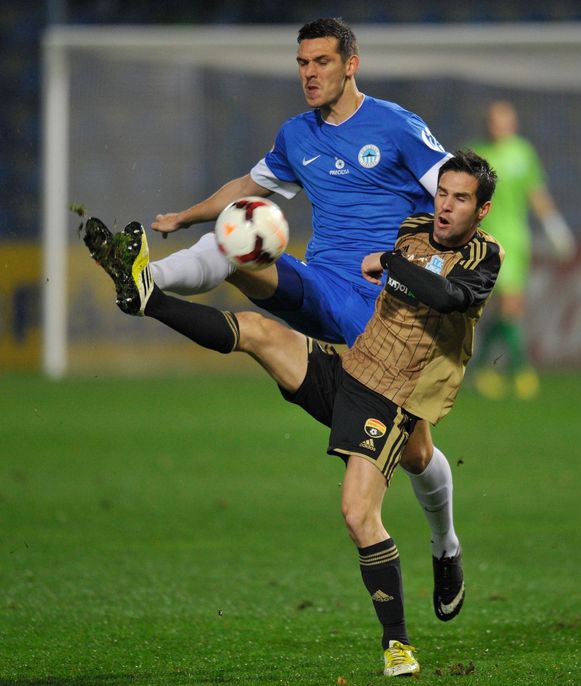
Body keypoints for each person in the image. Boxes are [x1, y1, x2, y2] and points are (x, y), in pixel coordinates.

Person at [81, 151, 502, 677]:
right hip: (352, 368)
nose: (444, 206)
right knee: (257, 333)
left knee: (360, 511)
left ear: (480, 210)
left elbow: (445, 297)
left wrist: (390, 263)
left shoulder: (485, 256)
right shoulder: (414, 227)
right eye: (442, 193)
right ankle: (149, 298)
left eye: (460, 199)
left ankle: (401, 636)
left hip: (393, 398)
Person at [149, 17, 464, 620]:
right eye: (302, 64)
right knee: (240, 235)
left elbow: (452, 191)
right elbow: (249, 183)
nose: (309, 74)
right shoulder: (298, 136)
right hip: (320, 288)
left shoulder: (396, 126)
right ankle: (151, 279)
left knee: (420, 452)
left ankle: (445, 544)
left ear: (351, 63)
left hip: (388, 317)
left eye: (321, 62)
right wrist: (186, 215)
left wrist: (444, 261)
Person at [467, 100, 576, 400]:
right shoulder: (475, 153)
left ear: (512, 124)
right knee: (504, 306)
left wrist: (555, 227)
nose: (498, 126)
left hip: (517, 240)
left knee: (510, 307)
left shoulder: (522, 152)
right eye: (493, 120)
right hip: (485, 240)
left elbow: (535, 192)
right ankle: (520, 370)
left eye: (503, 121)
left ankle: (485, 370)